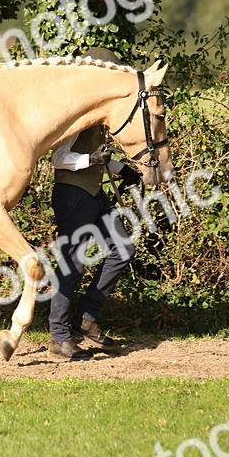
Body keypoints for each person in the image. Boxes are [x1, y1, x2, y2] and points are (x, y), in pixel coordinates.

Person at [46, 48, 142, 361]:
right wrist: (94, 159)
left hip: (94, 194)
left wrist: (119, 169)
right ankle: (59, 336)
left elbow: (97, 158)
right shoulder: (74, 111)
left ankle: (86, 319)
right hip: (72, 195)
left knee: (123, 250)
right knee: (72, 264)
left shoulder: (98, 112)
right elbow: (59, 159)